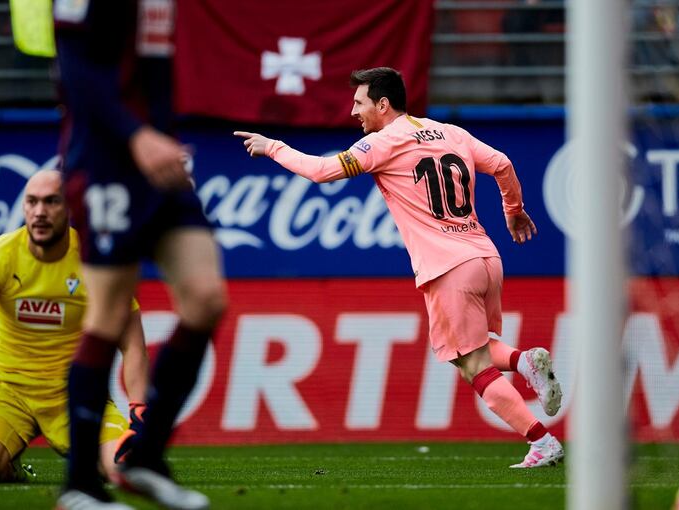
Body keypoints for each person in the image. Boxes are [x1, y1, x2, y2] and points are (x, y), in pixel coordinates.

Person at [235, 67, 564, 469]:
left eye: (359, 103)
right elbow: (502, 164)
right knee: (474, 349)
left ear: (382, 104)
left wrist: (273, 147)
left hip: (447, 267)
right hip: (486, 257)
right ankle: (523, 362)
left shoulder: (382, 143)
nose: (354, 112)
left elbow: (321, 172)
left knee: (471, 364)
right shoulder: (450, 132)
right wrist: (513, 212)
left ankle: (542, 442)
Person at [54, 1, 227, 509]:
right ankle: (79, 486)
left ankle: (145, 457)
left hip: (159, 164)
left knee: (205, 298)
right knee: (108, 316)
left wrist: (161, 135)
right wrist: (138, 137)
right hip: (106, 163)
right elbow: (75, 71)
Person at [0, 169, 148, 484]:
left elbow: (133, 344)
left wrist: (140, 414)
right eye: (32, 202)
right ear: (24, 208)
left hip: (75, 394)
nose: (40, 212)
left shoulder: (97, 261)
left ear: (70, 207)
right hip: (8, 392)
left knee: (125, 468)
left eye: (51, 202)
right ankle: (5, 462)